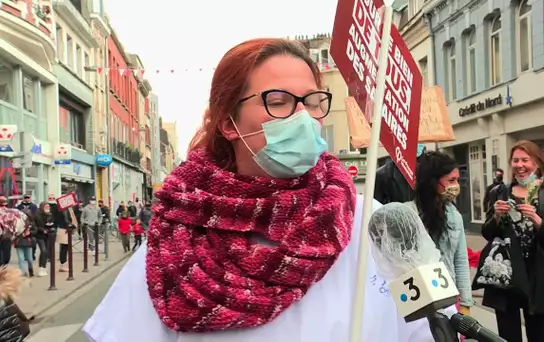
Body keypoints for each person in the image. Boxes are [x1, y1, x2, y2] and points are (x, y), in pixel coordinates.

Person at [84, 38, 430, 342]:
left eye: (312, 102)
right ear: (227, 122)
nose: (303, 117)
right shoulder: (175, 237)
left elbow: (432, 325)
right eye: (278, 101)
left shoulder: (376, 220)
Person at [483, 140, 544, 342]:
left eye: (525, 160)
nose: (519, 165)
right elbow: (487, 232)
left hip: (535, 274)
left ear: (536, 163)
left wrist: (537, 220)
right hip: (506, 273)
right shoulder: (500, 192)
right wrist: (497, 217)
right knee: (508, 335)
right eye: (515, 160)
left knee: (538, 334)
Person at [414, 151, 473, 316]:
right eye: (451, 180)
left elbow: (460, 260)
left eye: (458, 180)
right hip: (419, 299)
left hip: (448, 298)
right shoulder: (410, 213)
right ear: (433, 182)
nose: (456, 186)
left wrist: (466, 303)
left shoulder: (454, 216)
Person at [48, 194, 71, 272]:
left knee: (66, 247)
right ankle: (63, 264)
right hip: (63, 228)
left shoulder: (67, 208)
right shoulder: (60, 208)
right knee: (64, 247)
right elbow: (60, 219)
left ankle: (64, 263)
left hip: (66, 228)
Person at [32, 202, 53, 277]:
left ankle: (43, 267)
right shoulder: (37, 214)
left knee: (47, 252)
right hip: (39, 235)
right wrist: (42, 230)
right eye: (46, 206)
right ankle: (41, 268)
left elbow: (52, 223)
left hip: (48, 235)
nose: (47, 208)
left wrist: (51, 225)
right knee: (43, 250)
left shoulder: (49, 214)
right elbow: (35, 225)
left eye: (48, 207)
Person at [0, 197, 12, 266]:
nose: (3, 207)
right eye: (1, 205)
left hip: (7, 237)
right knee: (1, 260)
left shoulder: (10, 213)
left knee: (6, 258)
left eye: (5, 205)